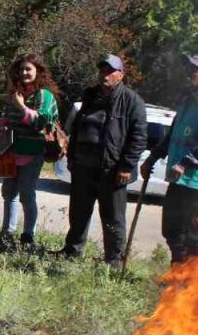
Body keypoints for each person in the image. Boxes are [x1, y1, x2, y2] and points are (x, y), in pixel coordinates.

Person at [143, 52, 198, 264]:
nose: (188, 73)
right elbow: (172, 136)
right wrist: (151, 158)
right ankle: (178, 274)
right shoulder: (187, 101)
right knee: (172, 230)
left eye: (194, 69)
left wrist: (184, 164)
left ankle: (196, 280)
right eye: (188, 68)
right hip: (180, 179)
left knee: (194, 235)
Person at [60, 55, 147, 269]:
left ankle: (114, 261)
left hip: (113, 170)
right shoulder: (90, 96)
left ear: (121, 75)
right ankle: (72, 251)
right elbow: (77, 129)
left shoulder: (132, 101)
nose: (104, 75)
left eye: (110, 71)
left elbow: (138, 138)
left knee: (113, 218)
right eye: (102, 71)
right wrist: (71, 157)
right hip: (84, 166)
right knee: (78, 213)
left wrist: (126, 166)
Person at [0, 54, 60, 252]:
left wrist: (22, 106)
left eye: (28, 69)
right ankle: (7, 234)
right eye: (21, 69)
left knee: (26, 194)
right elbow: (7, 117)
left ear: (38, 71)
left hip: (32, 153)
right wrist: (4, 126)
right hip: (12, 152)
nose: (24, 73)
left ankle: (27, 237)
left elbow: (41, 122)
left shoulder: (44, 96)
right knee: (9, 192)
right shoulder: (15, 93)